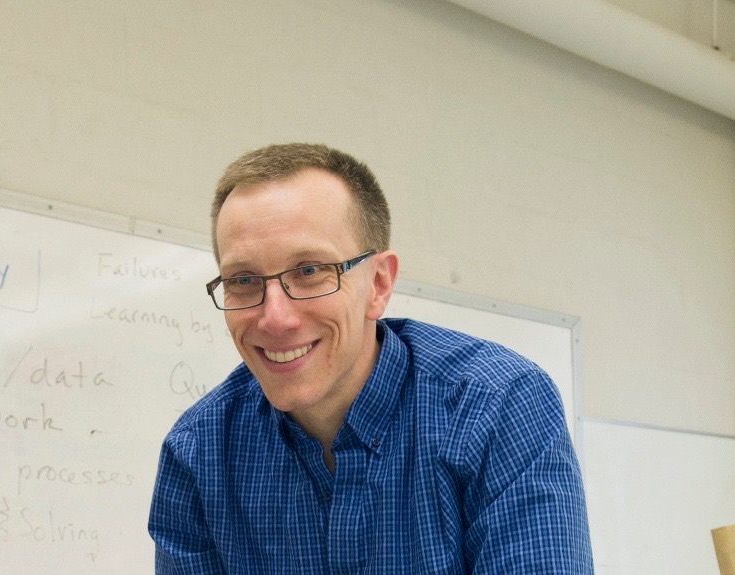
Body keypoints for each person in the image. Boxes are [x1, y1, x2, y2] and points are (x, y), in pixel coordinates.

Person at [148, 143, 593, 573]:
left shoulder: (498, 408)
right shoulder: (199, 454)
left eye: (309, 271)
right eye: (243, 280)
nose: (275, 318)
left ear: (378, 285)